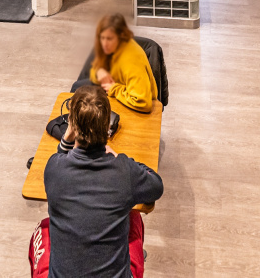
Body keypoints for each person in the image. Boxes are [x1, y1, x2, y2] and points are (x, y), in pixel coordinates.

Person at [28, 85, 164, 278]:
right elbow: (156, 186)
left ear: (73, 124)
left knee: (43, 227)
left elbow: (60, 158)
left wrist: (67, 136)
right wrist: (122, 159)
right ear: (107, 126)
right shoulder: (124, 171)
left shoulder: (54, 169)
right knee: (133, 215)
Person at [89, 14, 157, 113]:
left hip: (135, 106)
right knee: (78, 89)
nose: (104, 44)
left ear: (121, 36)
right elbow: (94, 71)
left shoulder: (131, 59)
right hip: (121, 95)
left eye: (109, 38)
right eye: (102, 38)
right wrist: (99, 71)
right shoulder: (110, 48)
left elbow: (143, 103)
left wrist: (114, 89)